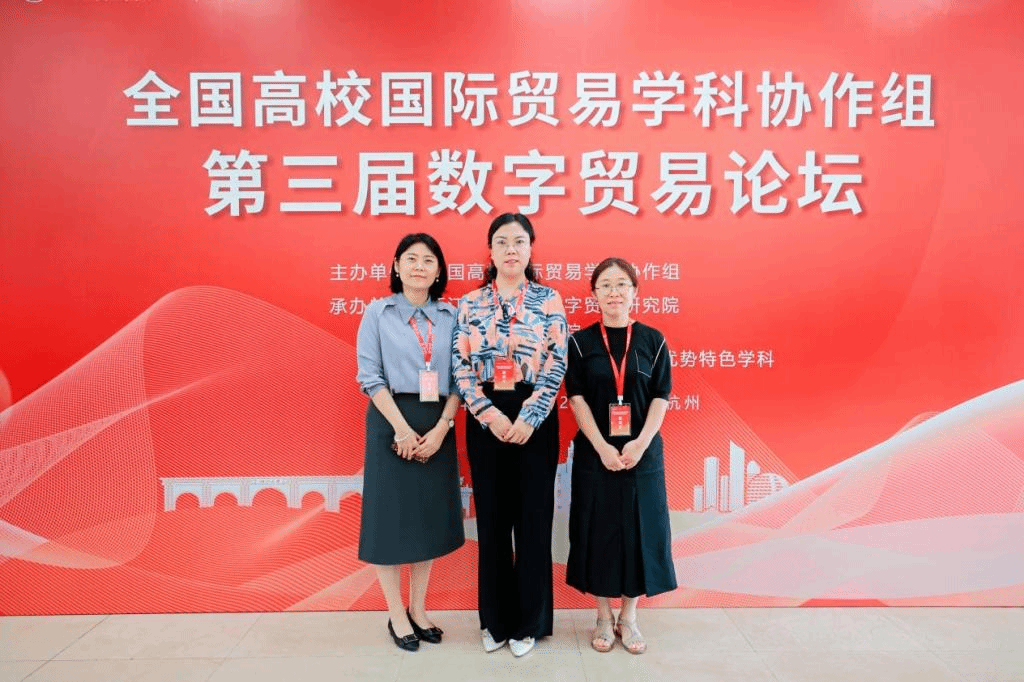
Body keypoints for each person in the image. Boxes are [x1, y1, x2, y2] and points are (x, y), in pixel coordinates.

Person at [452, 213, 568, 657]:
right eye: (502, 241)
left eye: (519, 241)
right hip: (486, 416)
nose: (511, 249)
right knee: (494, 522)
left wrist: (530, 415)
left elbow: (557, 362)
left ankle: (529, 624)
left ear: (531, 248)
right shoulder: (470, 303)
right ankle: (495, 621)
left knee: (534, 521)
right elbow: (460, 366)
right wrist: (488, 415)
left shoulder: (548, 299)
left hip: (535, 416)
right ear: (491, 251)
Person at [356, 233, 465, 652]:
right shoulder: (378, 313)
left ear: (439, 271)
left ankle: (418, 609)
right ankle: (396, 613)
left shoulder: (452, 316)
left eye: (428, 260)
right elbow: (370, 376)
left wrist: (442, 428)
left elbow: (461, 379)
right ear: (397, 266)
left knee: (426, 520)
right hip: (391, 419)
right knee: (389, 522)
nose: (419, 266)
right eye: (411, 259)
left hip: (438, 422)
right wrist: (401, 430)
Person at [565, 257, 677, 655]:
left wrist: (640, 443)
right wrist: (601, 446)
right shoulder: (580, 343)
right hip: (596, 453)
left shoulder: (653, 340)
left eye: (622, 285)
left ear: (635, 292)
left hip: (641, 454)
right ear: (594, 294)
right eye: (606, 285)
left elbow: (661, 396)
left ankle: (629, 617)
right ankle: (602, 615)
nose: (614, 292)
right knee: (597, 530)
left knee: (639, 530)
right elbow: (576, 397)